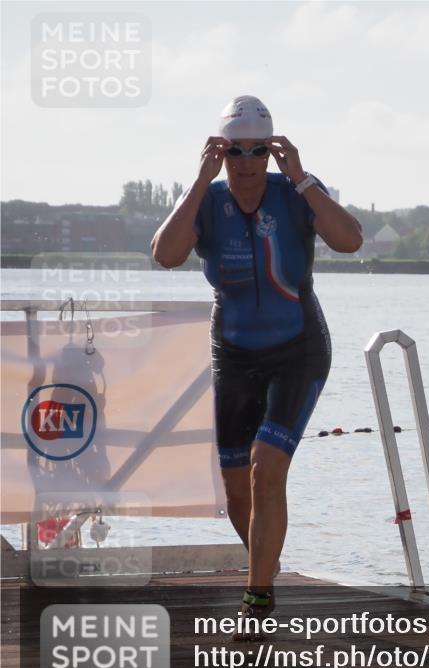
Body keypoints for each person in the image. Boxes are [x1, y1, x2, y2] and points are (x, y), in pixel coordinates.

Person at [151, 96, 363, 633]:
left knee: (267, 467)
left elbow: (351, 241)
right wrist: (198, 181)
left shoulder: (293, 195)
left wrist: (304, 178)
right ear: (220, 153)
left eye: (258, 151)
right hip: (235, 353)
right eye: (234, 151)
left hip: (298, 349)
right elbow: (165, 254)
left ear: (271, 152)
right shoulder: (208, 198)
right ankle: (265, 567)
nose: (246, 162)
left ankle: (259, 595)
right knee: (236, 485)